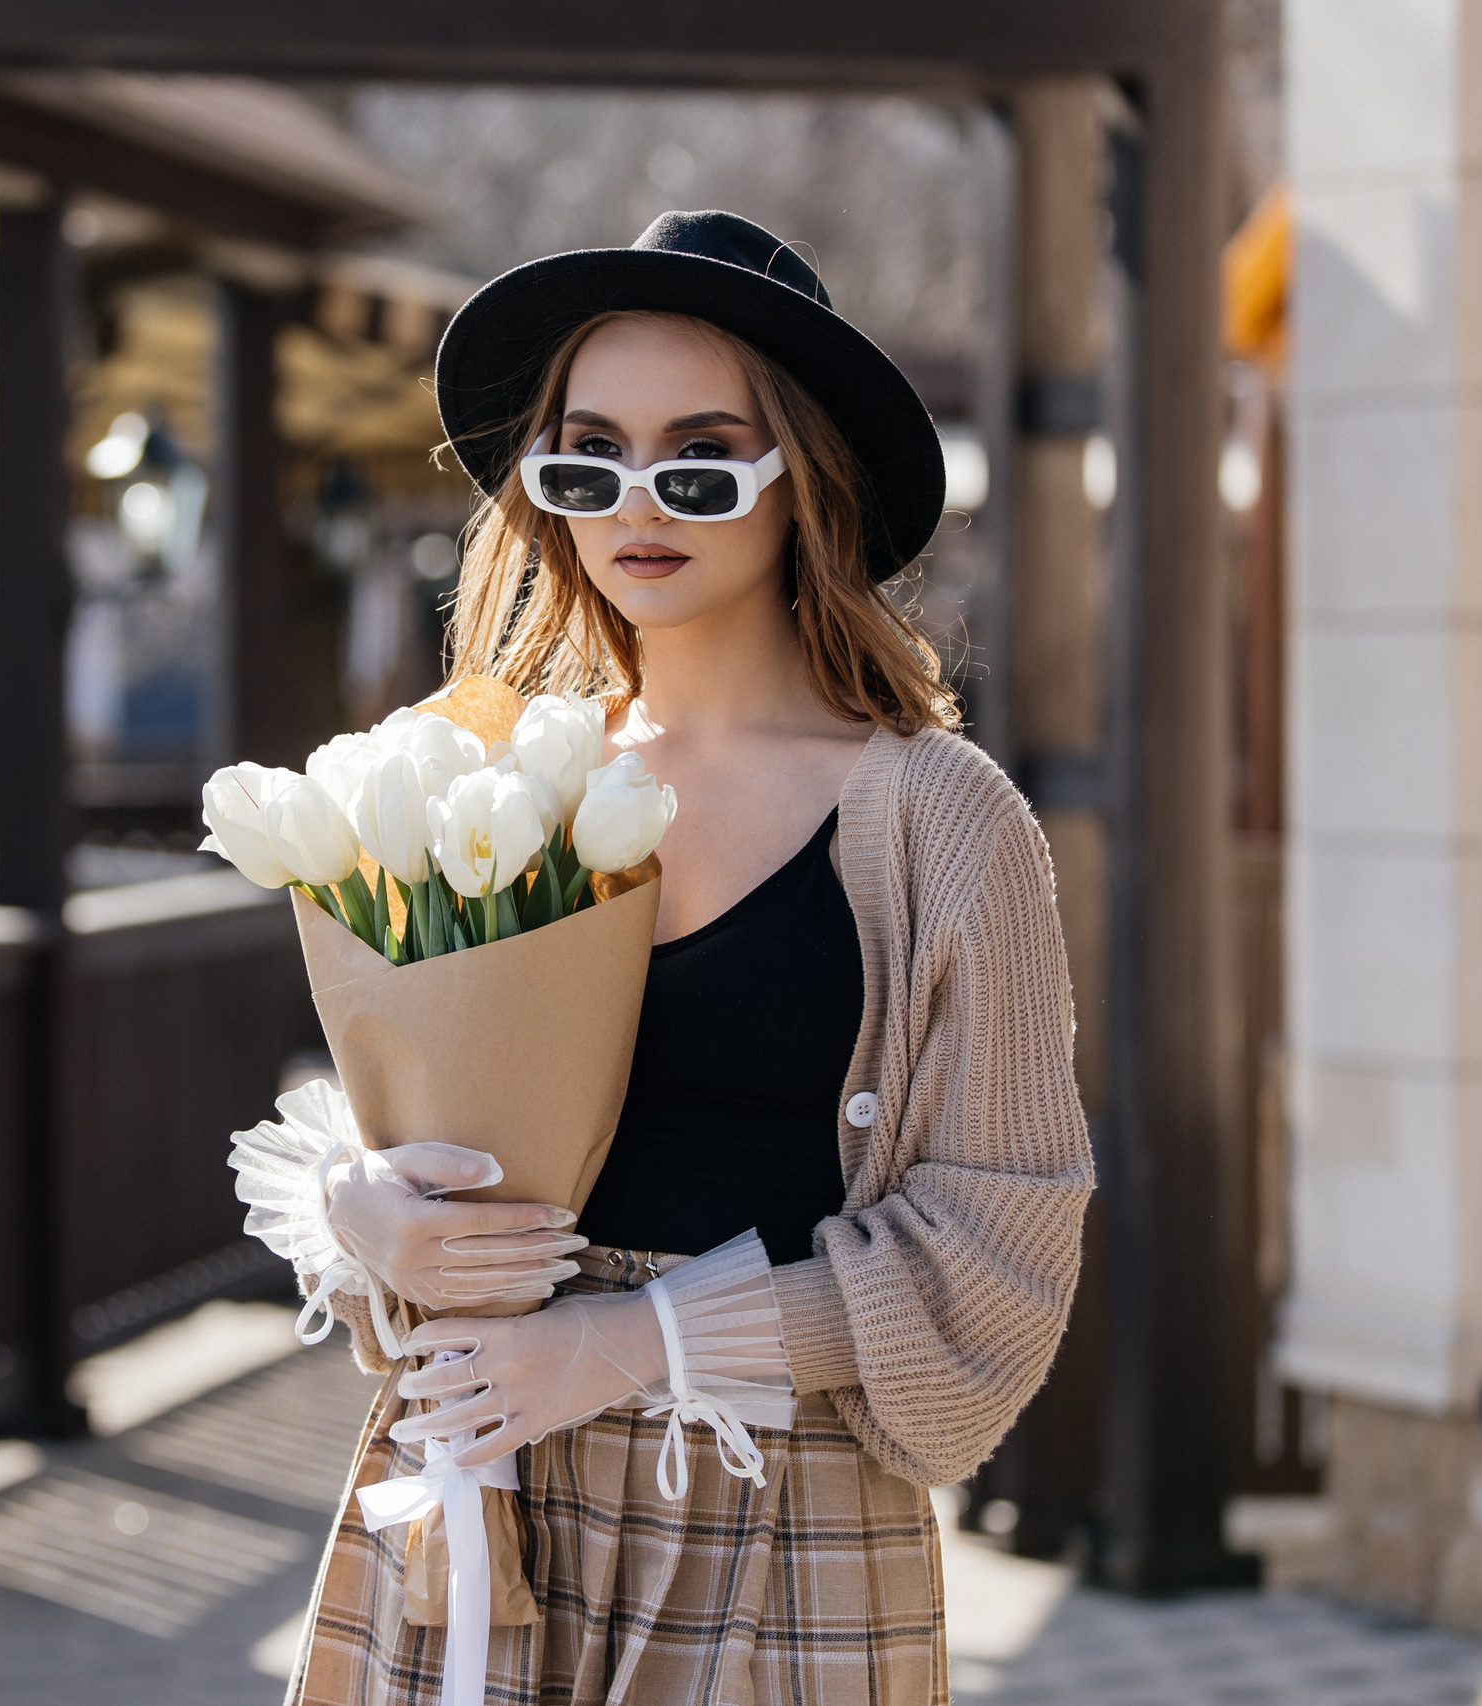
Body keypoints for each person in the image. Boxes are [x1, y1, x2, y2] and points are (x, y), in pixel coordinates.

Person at [287, 212, 1092, 1706]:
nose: (637, 504)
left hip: (778, 1508)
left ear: (807, 482)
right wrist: (365, 1216)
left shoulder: (941, 819)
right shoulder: (478, 770)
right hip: (477, 1491)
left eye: (701, 458)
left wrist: (635, 1339)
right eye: (586, 459)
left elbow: (1003, 1234)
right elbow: (377, 1101)